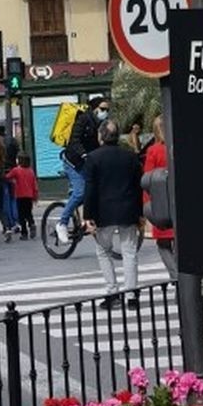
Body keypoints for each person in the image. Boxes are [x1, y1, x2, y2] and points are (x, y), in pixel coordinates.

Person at [83, 119, 144, 308]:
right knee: (129, 252)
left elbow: (90, 189)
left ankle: (112, 293)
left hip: (103, 212)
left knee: (103, 251)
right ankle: (131, 295)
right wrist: (140, 213)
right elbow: (138, 187)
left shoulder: (93, 158)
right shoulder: (130, 157)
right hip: (128, 210)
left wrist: (88, 216)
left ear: (101, 136)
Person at [55, 96, 103, 244]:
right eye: (103, 109)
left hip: (87, 163)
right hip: (73, 162)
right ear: (94, 108)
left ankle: (87, 220)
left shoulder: (100, 123)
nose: (105, 112)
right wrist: (84, 154)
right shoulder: (83, 119)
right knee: (80, 192)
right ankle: (62, 223)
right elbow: (74, 140)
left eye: (107, 109)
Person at [142, 111, 174, 269]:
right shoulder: (177, 146)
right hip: (178, 200)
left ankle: (175, 276)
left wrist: (148, 208)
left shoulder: (154, 151)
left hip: (161, 203)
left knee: (163, 245)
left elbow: (147, 181)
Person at [6, 151, 38, 240]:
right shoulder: (31, 171)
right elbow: (34, 184)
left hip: (20, 195)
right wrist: (35, 196)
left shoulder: (16, 170)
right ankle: (32, 224)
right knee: (28, 213)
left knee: (21, 215)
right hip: (29, 195)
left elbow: (8, 176)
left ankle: (24, 233)